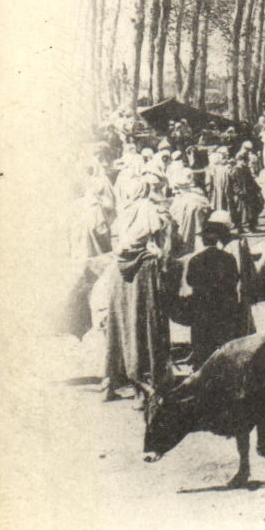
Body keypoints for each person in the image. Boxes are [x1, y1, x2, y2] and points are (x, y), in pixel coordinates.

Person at [101, 173, 172, 405]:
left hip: (121, 273)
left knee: (121, 324)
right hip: (143, 271)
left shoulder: (124, 212)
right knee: (147, 324)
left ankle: (112, 381)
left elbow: (118, 241)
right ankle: (147, 388)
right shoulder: (147, 208)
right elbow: (153, 235)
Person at [178, 212, 252, 369]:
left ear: (204, 241)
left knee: (203, 346)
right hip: (225, 308)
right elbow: (235, 278)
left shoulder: (196, 260)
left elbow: (190, 281)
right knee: (224, 346)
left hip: (202, 309)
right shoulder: (228, 257)